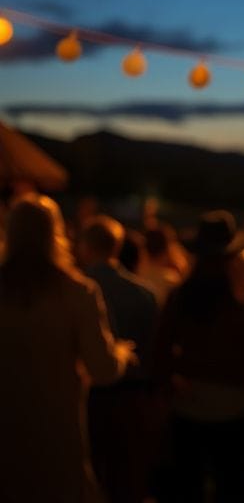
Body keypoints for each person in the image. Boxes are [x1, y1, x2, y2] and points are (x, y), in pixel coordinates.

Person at [0, 194, 134, 503]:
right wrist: (122, 354)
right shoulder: (77, 292)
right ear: (56, 234)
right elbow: (103, 369)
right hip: (55, 430)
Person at [154, 209, 244, 502]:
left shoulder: (180, 297)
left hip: (190, 405)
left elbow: (159, 350)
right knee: (235, 487)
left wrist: (177, 378)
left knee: (187, 488)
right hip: (238, 404)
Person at [79, 214, 160, 503]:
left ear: (85, 247)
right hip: (132, 398)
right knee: (128, 480)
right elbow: (154, 353)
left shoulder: (75, 290)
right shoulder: (144, 295)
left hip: (87, 399)